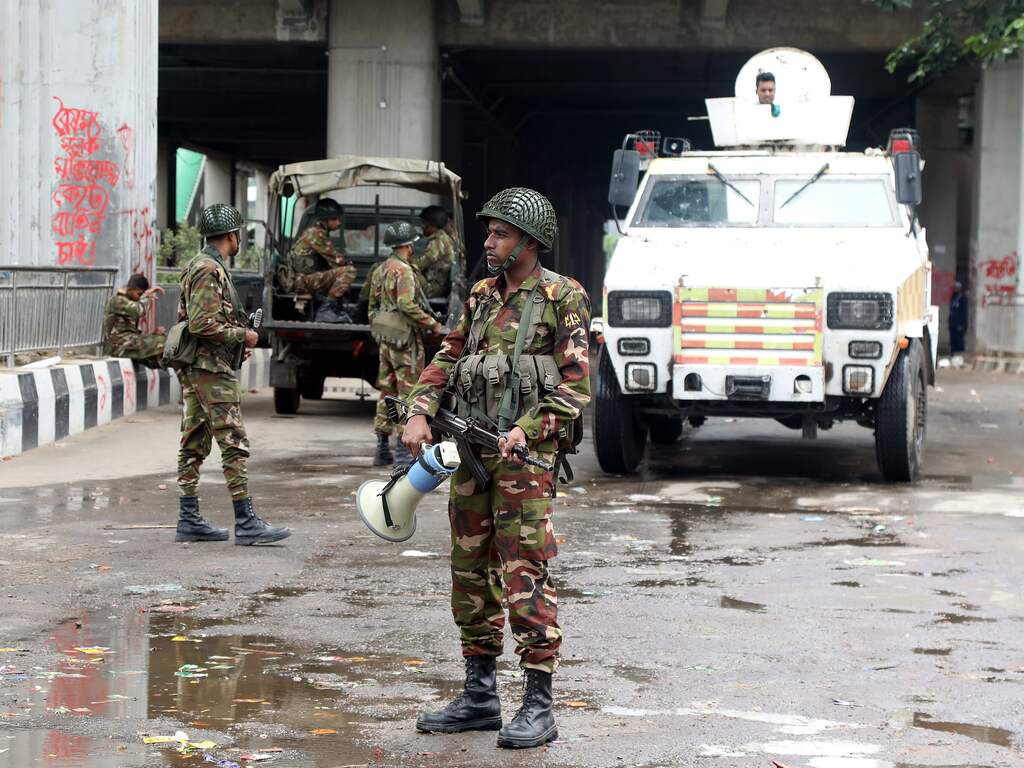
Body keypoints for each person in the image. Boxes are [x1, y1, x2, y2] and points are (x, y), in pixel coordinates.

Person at [402, 187, 591, 749]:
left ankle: (539, 703)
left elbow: (575, 385)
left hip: (523, 463)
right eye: (489, 233)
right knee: (468, 570)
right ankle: (480, 695)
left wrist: (524, 431)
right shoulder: (483, 295)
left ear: (530, 242)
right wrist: (418, 410)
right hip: (470, 455)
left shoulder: (562, 296)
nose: (489, 242)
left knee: (524, 571)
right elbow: (449, 355)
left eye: (501, 233)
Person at [175, 203, 291, 546]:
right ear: (232, 235)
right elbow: (202, 324)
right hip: (211, 370)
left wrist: (237, 340)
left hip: (204, 367)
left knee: (194, 441)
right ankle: (245, 521)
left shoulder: (205, 265)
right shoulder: (208, 269)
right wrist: (245, 336)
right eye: (238, 235)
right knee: (234, 441)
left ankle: (188, 519)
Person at [368, 221, 445, 468]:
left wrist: (381, 327)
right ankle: (403, 453)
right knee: (408, 392)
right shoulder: (404, 271)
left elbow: (372, 307)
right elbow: (406, 304)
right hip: (404, 340)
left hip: (386, 339)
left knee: (387, 391)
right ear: (409, 246)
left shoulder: (380, 269)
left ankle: (381, 448)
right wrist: (433, 324)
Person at [281, 198, 356, 323]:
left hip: (304, 280)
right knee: (349, 272)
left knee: (339, 275)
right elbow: (337, 260)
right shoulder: (316, 234)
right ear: (326, 220)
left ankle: (333, 310)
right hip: (302, 282)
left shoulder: (315, 232)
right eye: (335, 219)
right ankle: (325, 311)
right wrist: (347, 264)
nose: (338, 222)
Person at [102, 274, 166, 368]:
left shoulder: (130, 300)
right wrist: (146, 296)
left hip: (127, 344)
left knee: (160, 347)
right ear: (130, 289)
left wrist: (153, 334)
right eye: (139, 294)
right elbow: (139, 310)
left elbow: (132, 333)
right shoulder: (117, 301)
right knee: (162, 341)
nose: (140, 297)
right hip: (117, 348)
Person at [412, 205, 458, 300]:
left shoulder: (438, 242)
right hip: (434, 284)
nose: (421, 226)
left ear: (433, 225)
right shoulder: (441, 238)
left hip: (433, 289)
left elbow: (419, 264)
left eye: (424, 223)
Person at [949, 281, 968, 359]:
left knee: (959, 340)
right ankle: (953, 354)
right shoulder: (953, 297)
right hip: (953, 323)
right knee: (953, 339)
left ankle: (960, 356)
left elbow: (964, 312)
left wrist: (963, 324)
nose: (955, 289)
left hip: (959, 323)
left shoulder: (962, 299)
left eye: (957, 288)